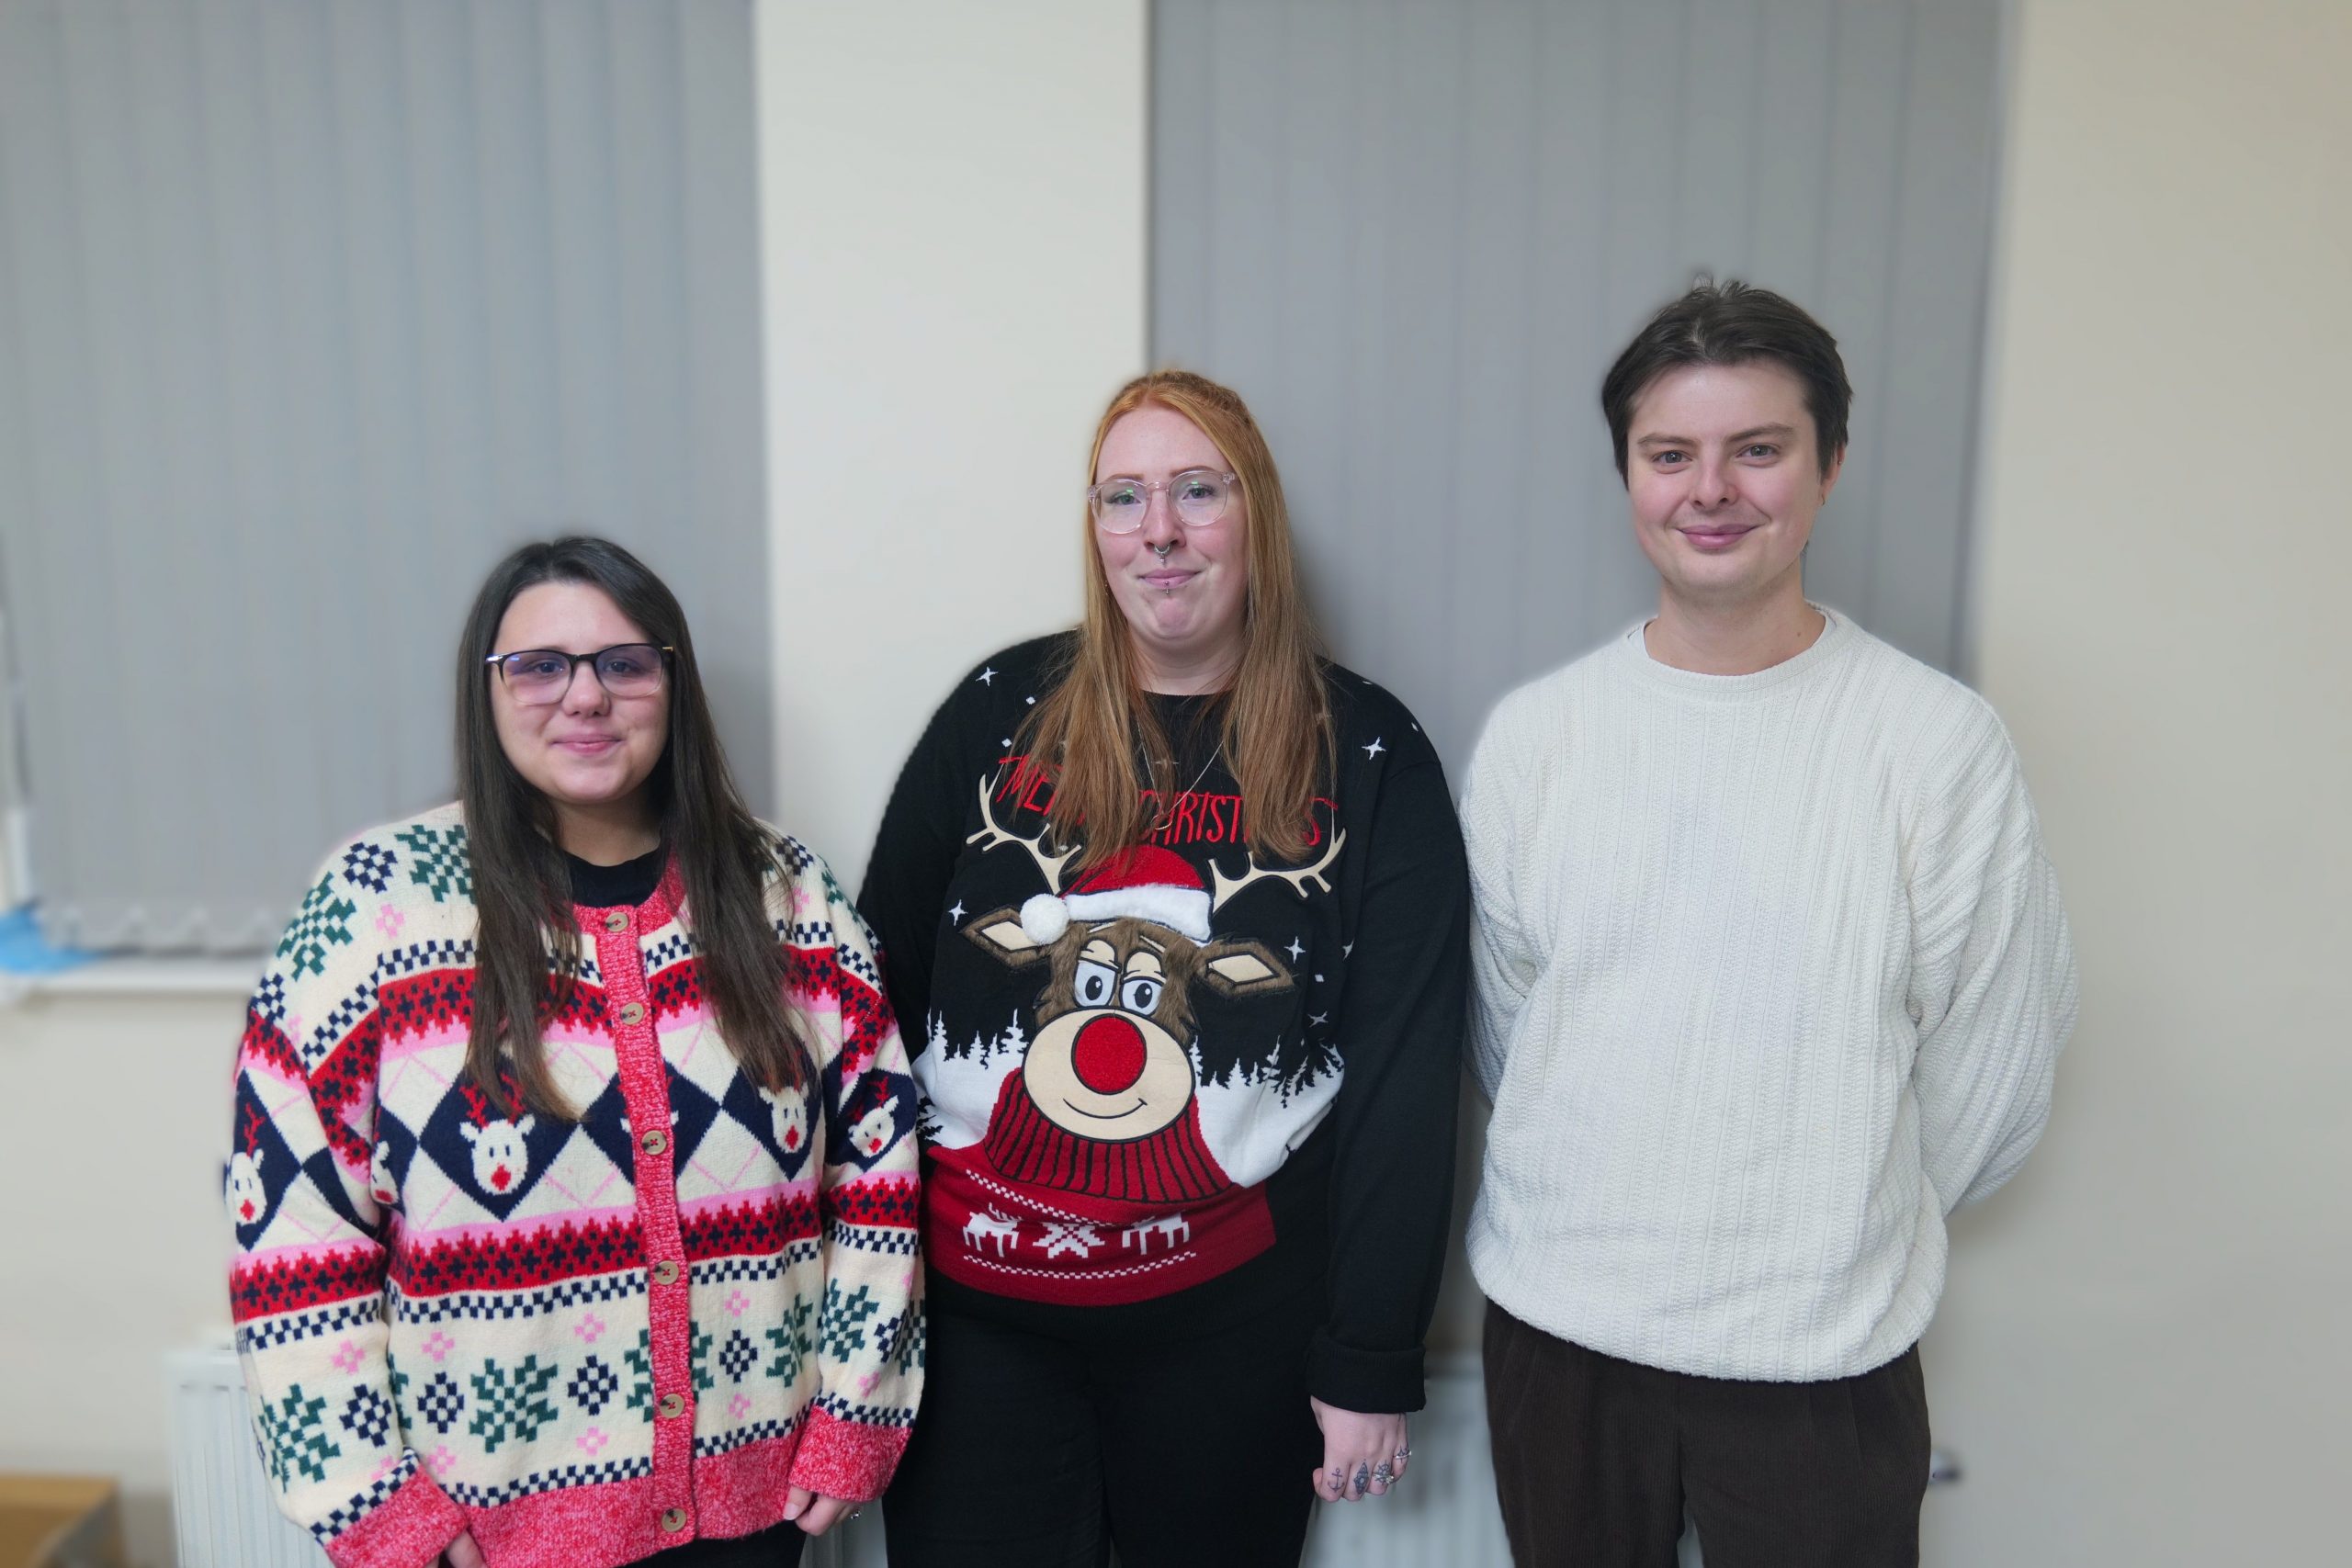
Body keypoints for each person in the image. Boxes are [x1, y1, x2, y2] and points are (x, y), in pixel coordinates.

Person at [1462, 280, 2079, 1567]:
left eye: (1759, 449)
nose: (1712, 489)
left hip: (1822, 1352)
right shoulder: (1540, 737)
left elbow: (1995, 1066)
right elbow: (1513, 1028)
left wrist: (1829, 1209)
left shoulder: (1936, 744)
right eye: (1670, 453)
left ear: (1829, 463)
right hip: (1562, 1336)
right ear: (1628, 474)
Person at [859, 370, 1469, 1567]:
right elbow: (865, 1010)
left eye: (1200, 490)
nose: (1162, 530)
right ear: (1094, 527)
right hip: (976, 1340)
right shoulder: (996, 713)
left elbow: (1408, 1072)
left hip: (1232, 1341)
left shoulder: (1369, 751)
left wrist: (1370, 1355)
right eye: (1124, 496)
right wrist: (860, 1306)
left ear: (1258, 519)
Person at [226, 537, 922, 1568]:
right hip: (485, 1531)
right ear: (489, 692)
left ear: (671, 685)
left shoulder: (790, 896)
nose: (584, 697)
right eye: (540, 666)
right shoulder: (375, 909)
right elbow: (291, 1228)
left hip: (753, 1508)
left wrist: (858, 1412)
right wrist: (377, 1506)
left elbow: (881, 1172)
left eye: (624, 663)